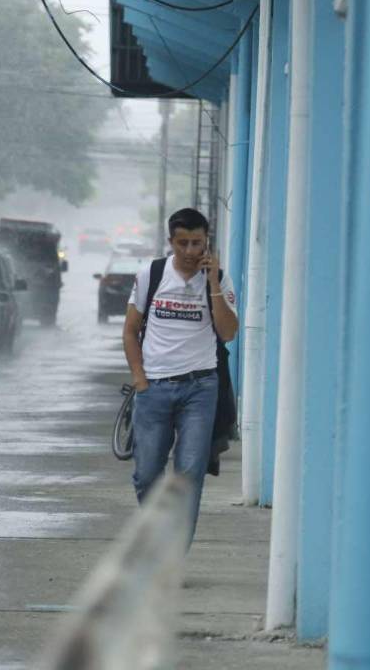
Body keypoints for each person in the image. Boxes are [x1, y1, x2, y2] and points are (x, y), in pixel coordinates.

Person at [122, 208, 239, 542]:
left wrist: (214, 283)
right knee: (146, 475)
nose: (190, 251)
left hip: (200, 389)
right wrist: (139, 379)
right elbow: (130, 331)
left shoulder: (219, 277)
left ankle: (171, 554)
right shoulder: (152, 274)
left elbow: (228, 332)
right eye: (183, 243)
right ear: (170, 242)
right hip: (154, 388)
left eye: (197, 243)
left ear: (207, 242)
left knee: (188, 476)